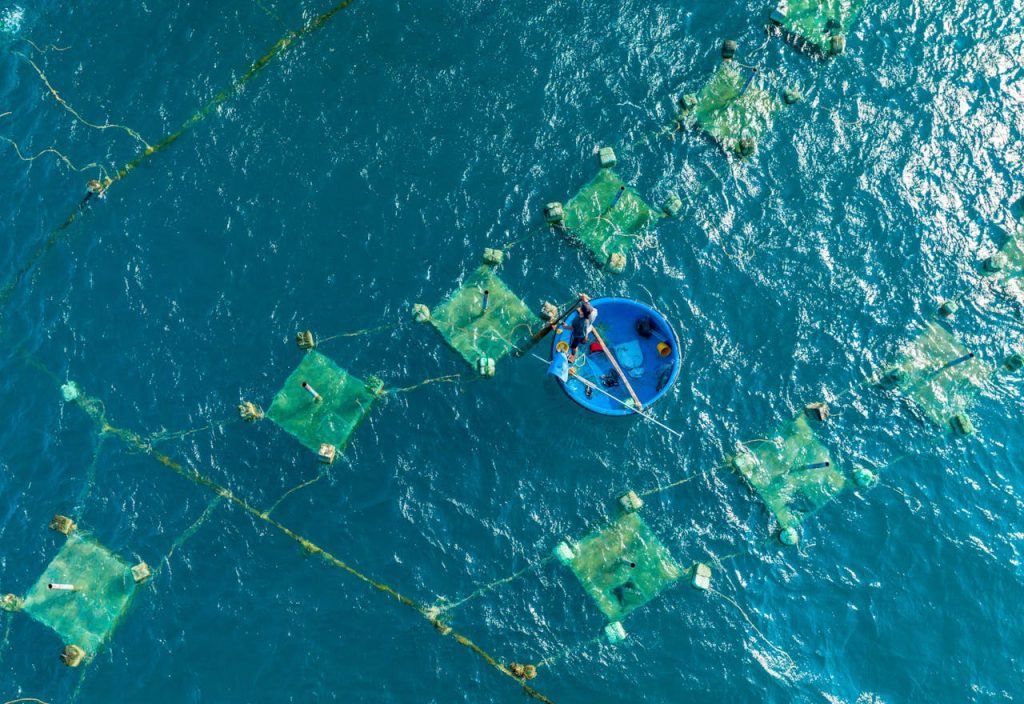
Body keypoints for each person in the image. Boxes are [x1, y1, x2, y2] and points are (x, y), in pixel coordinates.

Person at [568, 295, 598, 362]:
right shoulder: (593, 311)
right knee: (586, 333)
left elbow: (572, 328)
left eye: (581, 309)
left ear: (581, 312)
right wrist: (583, 297)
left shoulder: (578, 321)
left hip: (580, 333)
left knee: (574, 346)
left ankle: (574, 356)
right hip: (589, 326)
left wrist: (564, 326)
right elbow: (586, 301)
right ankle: (585, 339)